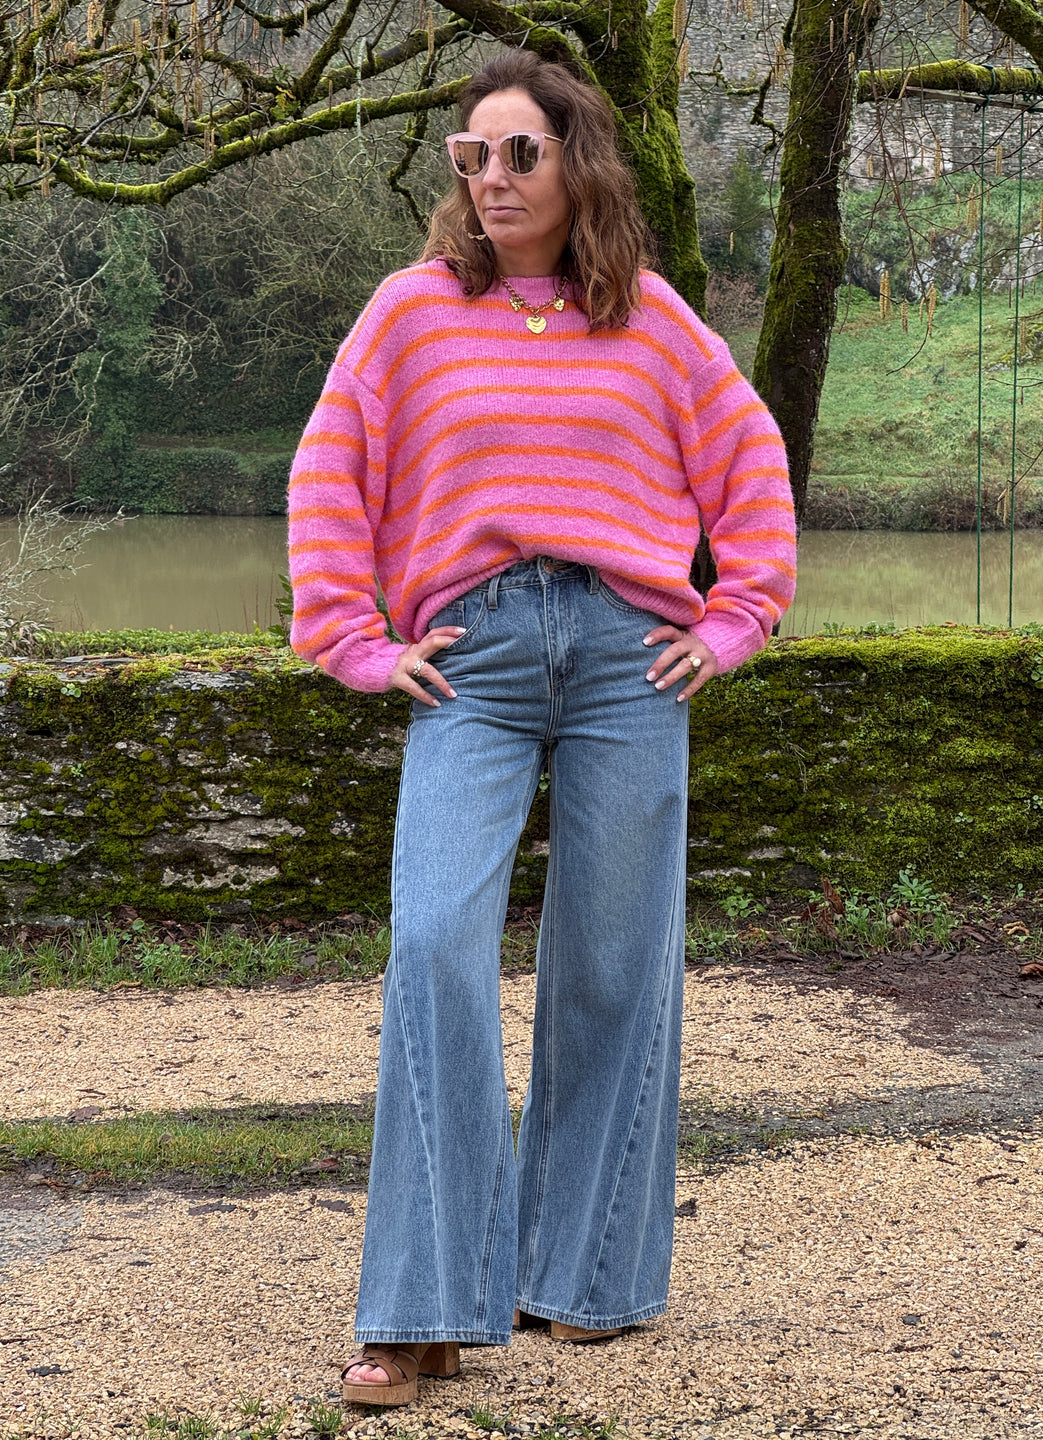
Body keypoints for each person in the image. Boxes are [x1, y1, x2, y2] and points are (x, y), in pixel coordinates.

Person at [287, 48, 796, 1408]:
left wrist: (734, 619)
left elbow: (750, 463)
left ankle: (586, 1277)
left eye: (522, 152)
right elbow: (331, 468)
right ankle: (426, 1306)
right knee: (432, 943)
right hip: (477, 658)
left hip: (633, 660)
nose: (494, 177)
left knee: (616, 964)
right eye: (473, 155)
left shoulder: (653, 322)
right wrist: (352, 639)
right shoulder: (410, 313)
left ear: (579, 164)